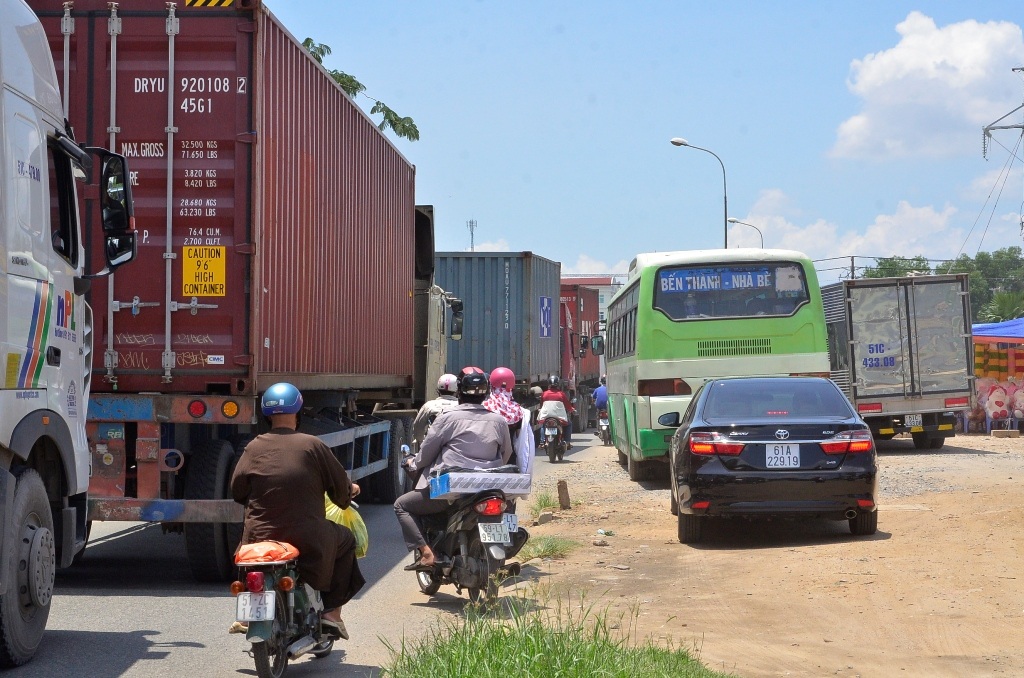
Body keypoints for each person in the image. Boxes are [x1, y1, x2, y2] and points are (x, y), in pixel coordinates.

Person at [230, 382, 364, 640]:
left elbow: (238, 492)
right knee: (347, 540)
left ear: (267, 415)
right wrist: (350, 491)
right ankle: (332, 615)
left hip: (259, 537)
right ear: (299, 412)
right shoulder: (313, 445)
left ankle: (247, 616)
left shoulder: (253, 447)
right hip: (308, 538)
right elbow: (340, 493)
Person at [394, 367, 513, 570]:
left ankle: (427, 554)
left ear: (459, 393)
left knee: (401, 505)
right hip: (489, 488)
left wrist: (412, 463)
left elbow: (426, 453)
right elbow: (506, 453)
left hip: (451, 490)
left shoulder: (447, 418)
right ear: (486, 394)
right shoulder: (499, 421)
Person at [482, 367, 535, 477]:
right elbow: (520, 441)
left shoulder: (485, 407)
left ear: (491, 385)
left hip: (487, 462)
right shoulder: (518, 412)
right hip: (510, 463)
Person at [411, 373, 459, 455]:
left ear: (438, 390)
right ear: (457, 391)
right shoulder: (461, 406)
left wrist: (421, 441)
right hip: (457, 449)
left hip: (433, 448)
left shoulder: (429, 405)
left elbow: (418, 428)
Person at [539, 375, 576, 448]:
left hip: (546, 416)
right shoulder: (561, 394)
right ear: (558, 384)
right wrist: (572, 410)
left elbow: (542, 405)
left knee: (543, 425)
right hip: (559, 417)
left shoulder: (544, 394)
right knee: (569, 424)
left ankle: (542, 441)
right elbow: (567, 405)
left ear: (549, 384)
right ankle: (567, 442)